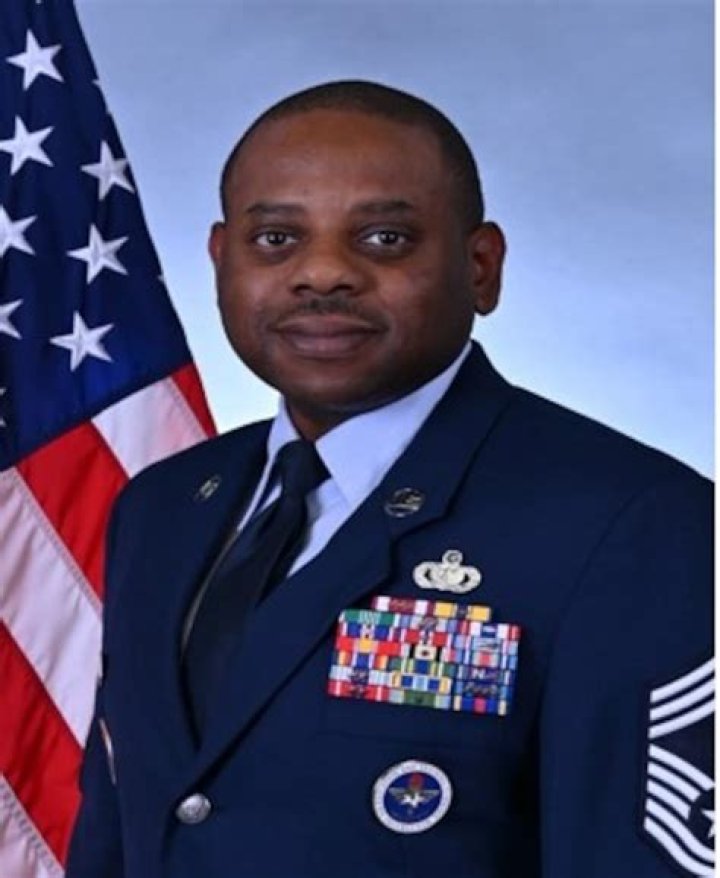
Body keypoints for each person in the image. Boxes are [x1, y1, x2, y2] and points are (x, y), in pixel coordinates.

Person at [66, 80, 713, 878]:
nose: (322, 274)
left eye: (384, 238)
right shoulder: (162, 507)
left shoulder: (634, 523)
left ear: (481, 267)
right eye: (275, 239)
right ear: (221, 259)